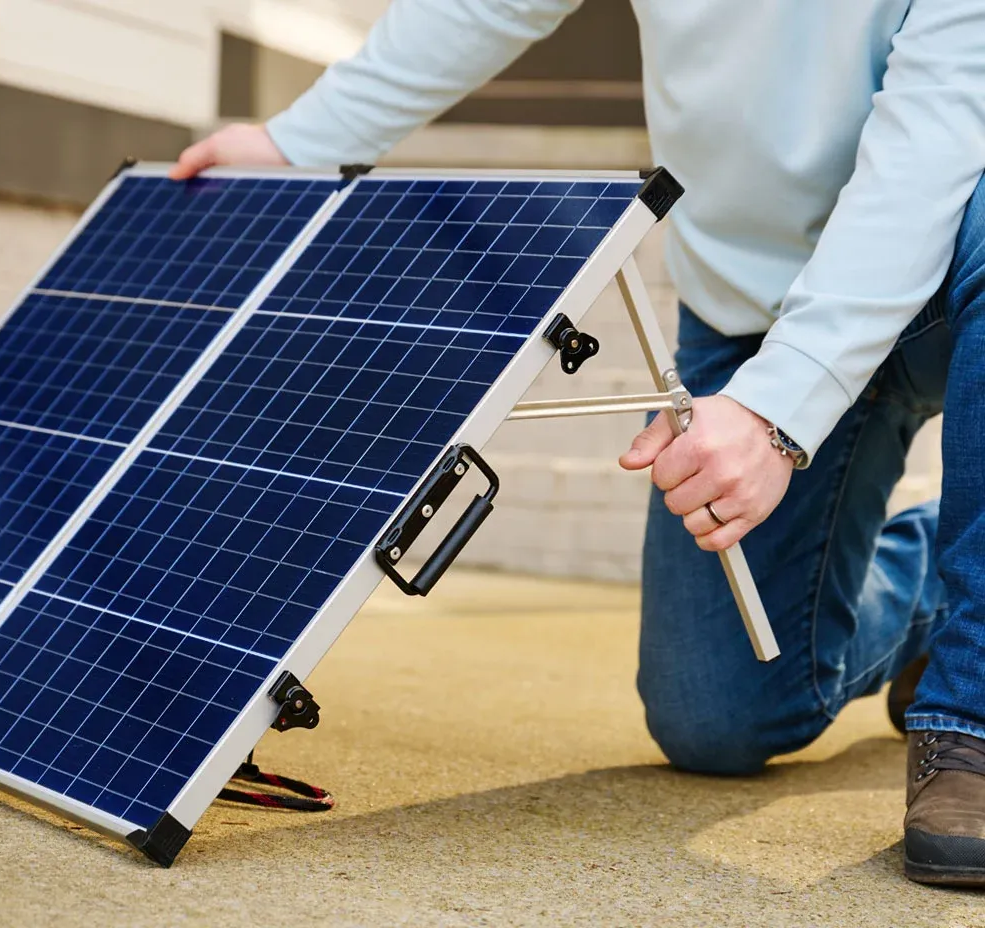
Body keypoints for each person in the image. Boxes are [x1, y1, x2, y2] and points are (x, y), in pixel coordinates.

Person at [170, 0, 985, 886]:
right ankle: (941, 597)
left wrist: (778, 411)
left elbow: (928, 150)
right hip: (748, 306)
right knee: (715, 720)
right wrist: (301, 139)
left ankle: (971, 718)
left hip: (947, 271)